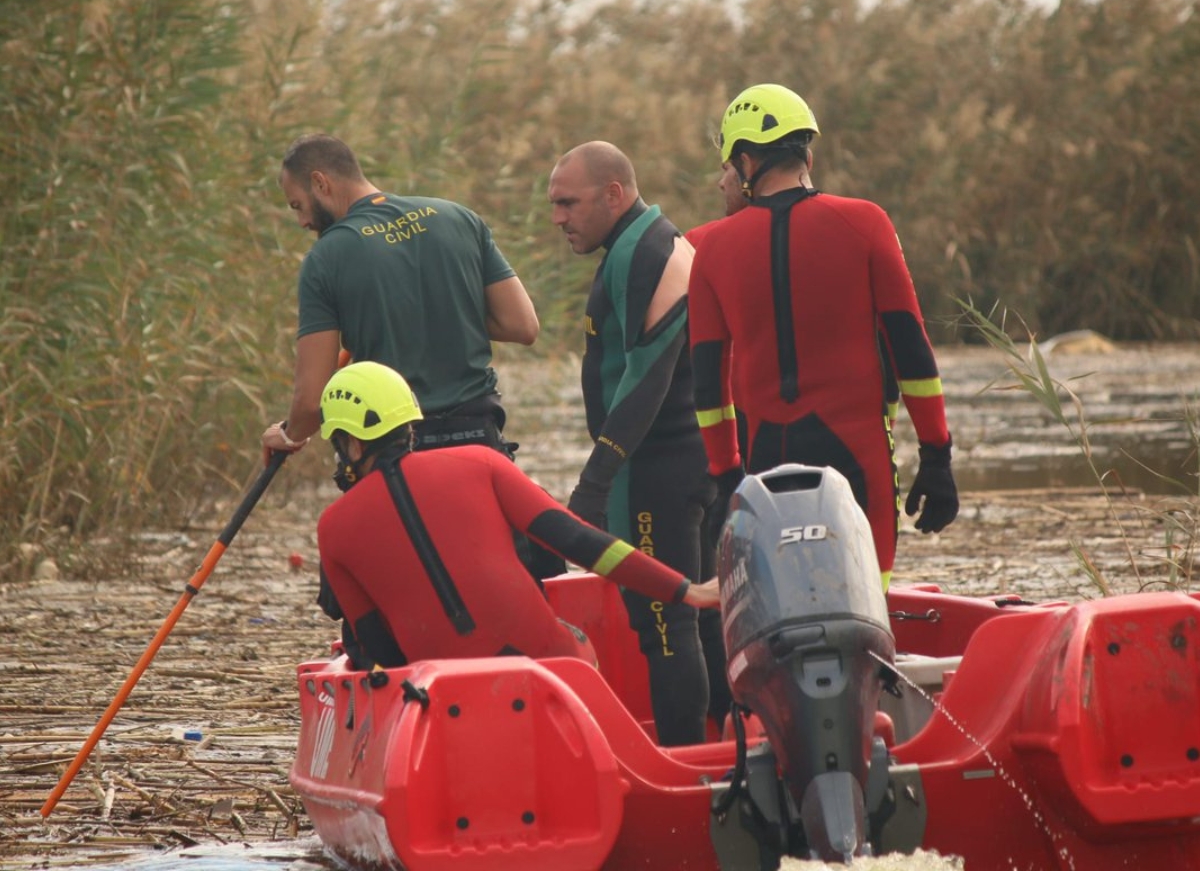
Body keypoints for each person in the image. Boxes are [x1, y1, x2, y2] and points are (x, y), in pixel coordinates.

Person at [689, 83, 959, 592]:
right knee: (865, 602)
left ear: (744, 163)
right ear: (805, 154)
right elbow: (911, 353)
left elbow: (708, 390)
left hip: (764, 461)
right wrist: (936, 456)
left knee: (782, 603)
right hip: (854, 455)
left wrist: (727, 477)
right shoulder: (865, 223)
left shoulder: (711, 248)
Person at [314, 361, 720, 670]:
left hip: (444, 699)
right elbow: (580, 541)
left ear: (350, 444)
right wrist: (686, 590)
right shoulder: (481, 463)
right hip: (552, 670)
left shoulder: (332, 528)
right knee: (571, 638)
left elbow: (374, 654)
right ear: (410, 426)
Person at [547, 141, 730, 746]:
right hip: (688, 463)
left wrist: (595, 483)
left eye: (568, 203)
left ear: (613, 194)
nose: (558, 218)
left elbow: (645, 379)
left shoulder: (646, 252)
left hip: (655, 470)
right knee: (702, 623)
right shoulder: (650, 241)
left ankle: (687, 770)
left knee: (665, 627)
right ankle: (727, 756)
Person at [260, 133, 539, 458]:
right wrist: (438, 308)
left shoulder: (325, 258)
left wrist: (289, 435)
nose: (303, 221)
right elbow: (522, 325)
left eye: (298, 206)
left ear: (320, 183)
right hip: (480, 439)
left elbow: (310, 403)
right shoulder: (457, 217)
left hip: (396, 451)